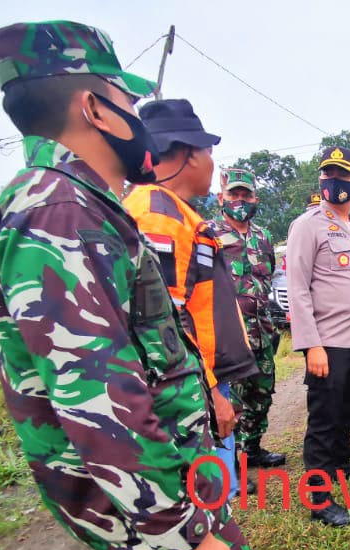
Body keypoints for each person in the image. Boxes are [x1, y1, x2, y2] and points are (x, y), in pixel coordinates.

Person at [0, 21, 294, 550]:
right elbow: (97, 396)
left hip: (135, 498)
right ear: (93, 107)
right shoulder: (60, 212)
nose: (137, 119)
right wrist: (187, 536)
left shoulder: (70, 201)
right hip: (153, 503)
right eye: (127, 102)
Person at [124, 99, 259, 498]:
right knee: (199, 495)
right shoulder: (157, 218)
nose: (212, 162)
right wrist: (214, 393)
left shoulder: (176, 213)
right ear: (186, 154)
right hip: (184, 392)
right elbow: (166, 322)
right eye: (208, 152)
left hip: (201, 379)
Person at [285, 146, 350, 526]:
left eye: (342, 175)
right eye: (328, 174)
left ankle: (340, 463)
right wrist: (311, 345)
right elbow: (298, 287)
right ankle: (319, 499)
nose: (334, 181)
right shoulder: (307, 225)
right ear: (322, 180)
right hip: (329, 342)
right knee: (323, 417)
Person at [209, 167, 287, 473]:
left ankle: (252, 448)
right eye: (234, 194)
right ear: (221, 198)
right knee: (233, 401)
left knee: (262, 393)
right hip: (229, 336)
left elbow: (267, 276)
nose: (240, 200)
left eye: (246, 195)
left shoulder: (263, 236)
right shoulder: (208, 234)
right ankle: (232, 462)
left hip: (262, 331)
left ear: (255, 198)